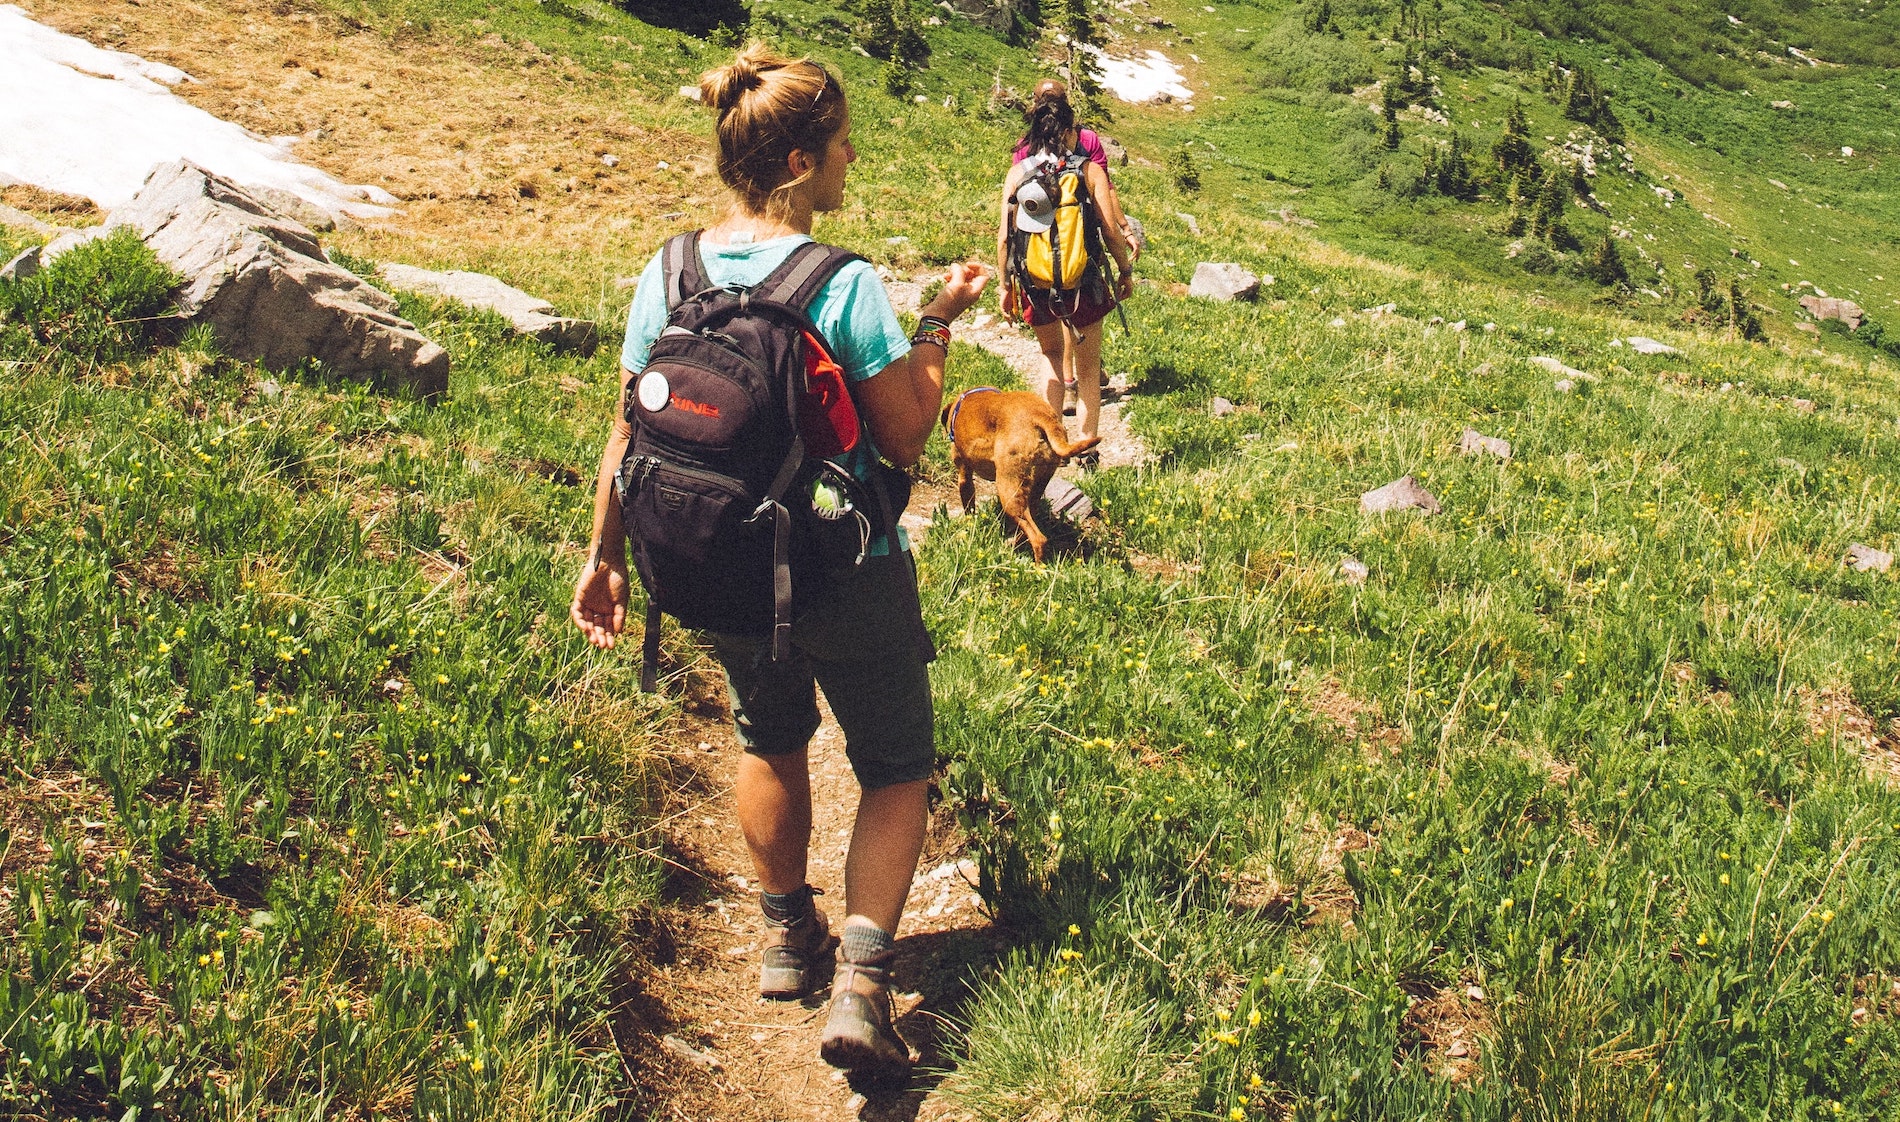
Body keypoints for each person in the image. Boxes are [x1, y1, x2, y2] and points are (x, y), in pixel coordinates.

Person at [569, 44, 989, 1076]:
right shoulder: (838, 285)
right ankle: (862, 981)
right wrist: (937, 323)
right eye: (843, 145)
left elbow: (629, 426)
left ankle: (781, 936)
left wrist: (603, 558)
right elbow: (902, 436)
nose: (853, 161)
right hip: (843, 567)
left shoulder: (668, 270)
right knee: (896, 767)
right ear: (801, 161)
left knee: (769, 735)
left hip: (710, 562)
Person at [998, 81, 1136, 456]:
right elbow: (1109, 229)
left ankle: (1051, 447)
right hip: (1084, 279)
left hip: (1035, 280)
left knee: (1051, 359)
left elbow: (1005, 237)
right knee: (1089, 371)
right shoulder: (1088, 170)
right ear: (1071, 127)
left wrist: (1005, 286)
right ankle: (1087, 450)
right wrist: (1124, 271)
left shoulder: (1018, 171)